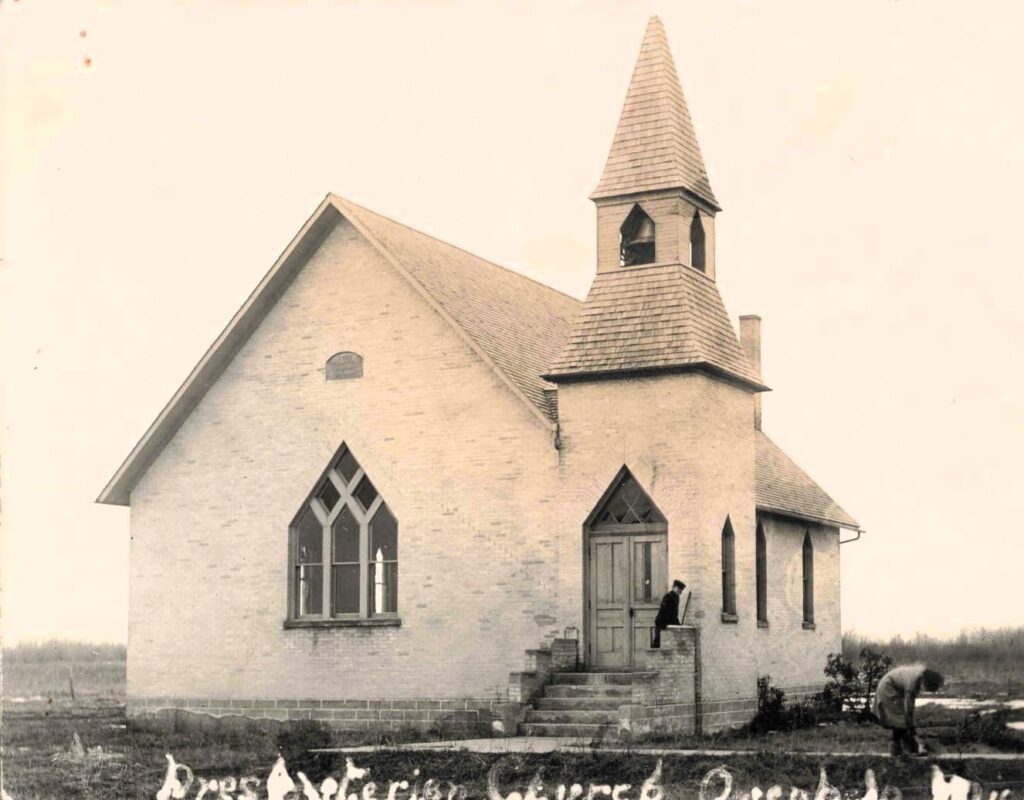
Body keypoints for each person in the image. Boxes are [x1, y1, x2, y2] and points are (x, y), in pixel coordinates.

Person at [871, 664, 944, 756]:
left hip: (894, 689)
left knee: (901, 722)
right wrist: (912, 727)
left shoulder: (919, 675)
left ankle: (904, 748)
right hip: (888, 689)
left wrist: (911, 725)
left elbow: (910, 705)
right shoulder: (912, 682)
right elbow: (908, 707)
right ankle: (901, 748)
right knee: (900, 721)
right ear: (925, 681)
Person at [652, 579, 686, 648]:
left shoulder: (676, 597)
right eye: (679, 590)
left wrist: (676, 623)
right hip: (661, 621)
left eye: (681, 590)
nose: (680, 592)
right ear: (675, 587)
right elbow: (667, 612)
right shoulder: (668, 596)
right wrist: (676, 623)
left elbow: (674, 612)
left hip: (667, 621)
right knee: (657, 643)